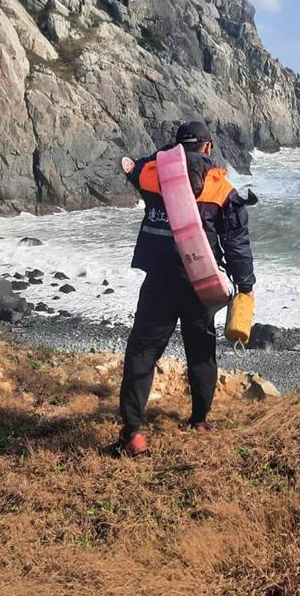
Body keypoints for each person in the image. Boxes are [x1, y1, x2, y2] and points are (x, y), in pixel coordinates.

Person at [109, 120, 256, 457]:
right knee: (201, 353)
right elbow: (236, 243)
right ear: (208, 147)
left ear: (177, 147)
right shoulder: (220, 187)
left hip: (159, 282)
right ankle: (200, 421)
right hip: (200, 283)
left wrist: (165, 156)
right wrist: (245, 284)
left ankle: (133, 434)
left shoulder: (153, 175)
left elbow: (133, 166)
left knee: (142, 353)